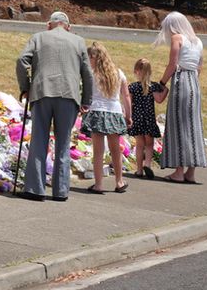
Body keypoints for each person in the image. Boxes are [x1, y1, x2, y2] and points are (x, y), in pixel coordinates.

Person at [16, 11, 94, 202]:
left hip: (42, 92)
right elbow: (88, 74)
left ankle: (35, 189)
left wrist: (25, 88)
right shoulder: (78, 41)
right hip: (69, 95)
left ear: (49, 24)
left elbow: (21, 61)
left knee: (39, 141)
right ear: (68, 26)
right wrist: (86, 100)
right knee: (63, 143)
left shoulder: (38, 38)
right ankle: (60, 191)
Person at [155, 12, 207, 183]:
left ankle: (178, 171)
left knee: (178, 124)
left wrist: (162, 82)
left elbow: (173, 64)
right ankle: (190, 172)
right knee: (193, 124)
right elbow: (199, 67)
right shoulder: (197, 41)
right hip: (194, 83)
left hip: (182, 80)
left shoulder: (178, 38)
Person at [80, 42, 133, 194]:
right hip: (115, 112)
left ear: (93, 57)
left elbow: (87, 93)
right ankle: (119, 181)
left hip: (97, 111)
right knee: (116, 150)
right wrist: (128, 116)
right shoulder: (118, 73)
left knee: (98, 151)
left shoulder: (92, 73)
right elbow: (126, 96)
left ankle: (98, 184)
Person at [128, 58, 167, 179]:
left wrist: (128, 116)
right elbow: (159, 100)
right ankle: (148, 165)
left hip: (137, 118)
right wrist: (165, 90)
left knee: (139, 145)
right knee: (149, 144)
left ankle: (139, 170)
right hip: (149, 118)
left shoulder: (133, 87)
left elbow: (129, 102)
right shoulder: (153, 87)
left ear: (136, 71)